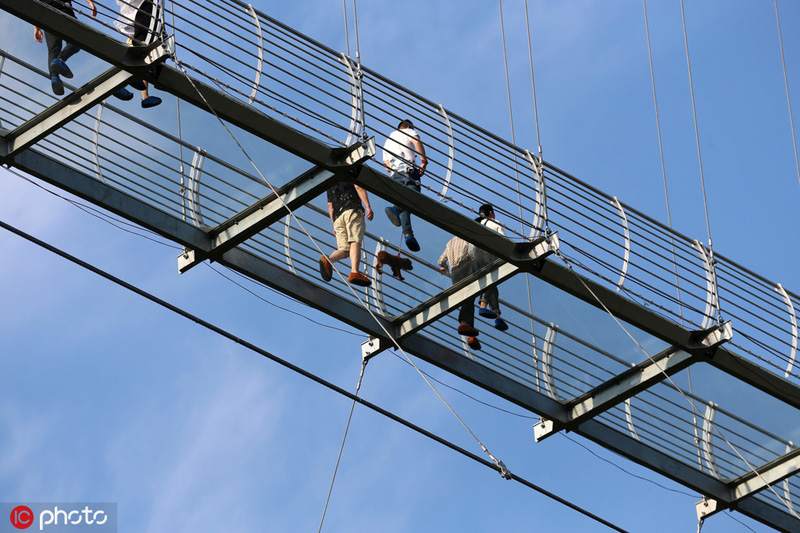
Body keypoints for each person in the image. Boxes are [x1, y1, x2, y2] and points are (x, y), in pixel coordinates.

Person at [382, 119, 428, 252]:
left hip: (394, 175)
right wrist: (424, 161)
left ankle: (408, 235)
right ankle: (395, 209)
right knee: (414, 197)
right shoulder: (409, 131)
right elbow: (417, 141)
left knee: (405, 203)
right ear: (408, 127)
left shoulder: (388, 140)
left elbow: (387, 168)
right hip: (409, 170)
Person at [319, 178, 374, 287]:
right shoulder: (350, 172)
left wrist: (334, 224)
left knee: (345, 250)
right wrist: (368, 206)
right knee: (355, 241)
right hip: (352, 208)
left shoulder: (330, 182)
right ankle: (355, 272)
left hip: (337, 217)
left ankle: (328, 260)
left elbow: (330, 205)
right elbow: (358, 187)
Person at [114, 0, 163, 108]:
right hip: (141, 32)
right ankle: (120, 86)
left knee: (146, 61)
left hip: (143, 30)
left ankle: (145, 96)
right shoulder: (145, 7)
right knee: (141, 57)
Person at [438, 235, 481, 351]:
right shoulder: (466, 237)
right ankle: (463, 323)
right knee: (470, 296)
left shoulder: (450, 243)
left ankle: (471, 334)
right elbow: (473, 251)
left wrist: (445, 267)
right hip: (465, 266)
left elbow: (441, 260)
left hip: (455, 273)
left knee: (468, 299)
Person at [474, 203, 509, 331]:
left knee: (490, 284)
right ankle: (483, 307)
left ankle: (497, 315)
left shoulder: (477, 225)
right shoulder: (494, 223)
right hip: (489, 255)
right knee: (489, 281)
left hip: (477, 257)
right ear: (490, 213)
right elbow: (505, 240)